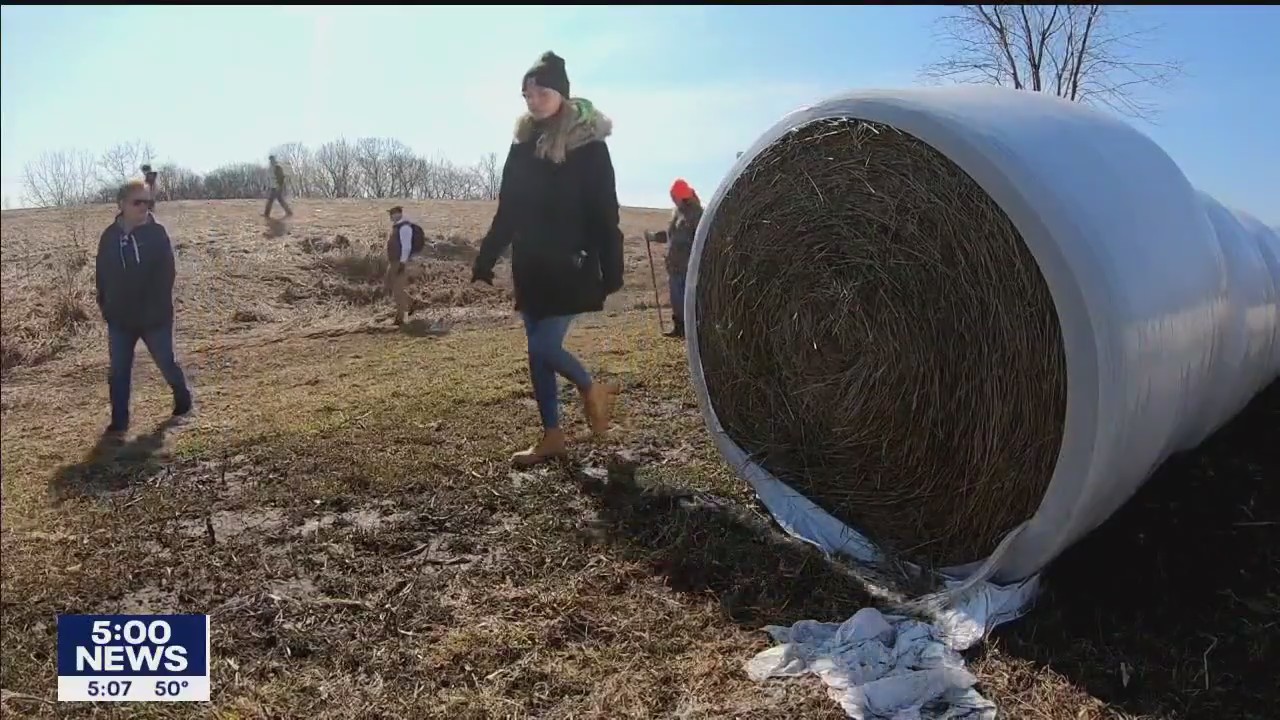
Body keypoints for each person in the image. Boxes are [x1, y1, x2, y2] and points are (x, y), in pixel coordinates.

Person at [471, 50, 624, 468]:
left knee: (543, 343)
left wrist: (612, 265)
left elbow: (605, 210)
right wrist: (487, 256)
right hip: (531, 264)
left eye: (540, 90)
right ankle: (552, 435)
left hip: (571, 265)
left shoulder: (589, 148)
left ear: (561, 93)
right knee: (536, 352)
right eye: (526, 92)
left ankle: (591, 387)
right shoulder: (521, 147)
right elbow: (508, 209)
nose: (532, 98)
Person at [95, 179, 192, 434]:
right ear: (122, 204)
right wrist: (106, 305)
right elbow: (101, 274)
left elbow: (166, 275)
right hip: (120, 319)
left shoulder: (157, 233)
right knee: (118, 371)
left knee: (166, 361)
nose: (144, 207)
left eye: (147, 202)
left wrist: (154, 306)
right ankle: (119, 423)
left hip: (154, 317)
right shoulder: (109, 236)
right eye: (137, 202)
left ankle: (183, 400)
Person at [664, 178, 702, 339]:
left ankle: (693, 330)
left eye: (674, 195)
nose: (673, 199)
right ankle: (679, 328)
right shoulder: (677, 214)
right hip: (675, 265)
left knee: (689, 300)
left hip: (689, 266)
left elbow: (700, 239)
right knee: (676, 299)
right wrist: (654, 236)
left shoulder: (696, 214)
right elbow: (670, 236)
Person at [385, 206, 424, 326]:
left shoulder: (405, 227)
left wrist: (402, 263)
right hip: (394, 261)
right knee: (389, 284)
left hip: (399, 262)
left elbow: (406, 247)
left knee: (398, 290)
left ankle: (401, 317)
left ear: (398, 214)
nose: (390, 216)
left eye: (392, 214)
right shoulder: (397, 227)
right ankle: (412, 303)